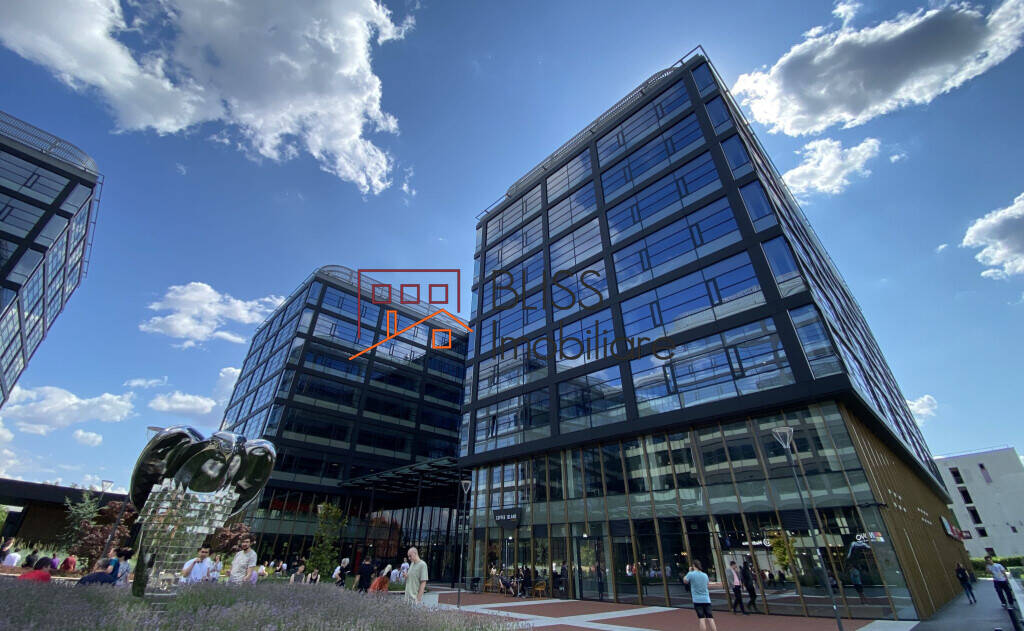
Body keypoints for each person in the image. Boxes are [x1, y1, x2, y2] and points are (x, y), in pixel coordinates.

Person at [683, 560, 718, 631]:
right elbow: (707, 584)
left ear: (693, 566)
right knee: (710, 618)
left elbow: (685, 581)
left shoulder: (691, 574)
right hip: (706, 599)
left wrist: (689, 571)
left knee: (702, 618)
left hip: (697, 600)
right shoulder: (705, 575)